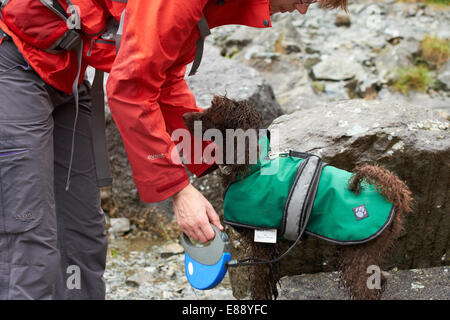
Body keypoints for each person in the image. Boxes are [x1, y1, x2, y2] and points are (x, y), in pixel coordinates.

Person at [0, 0, 346, 300]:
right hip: (14, 65)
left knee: (82, 235)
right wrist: (178, 191)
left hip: (68, 80)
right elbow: (130, 88)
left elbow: (164, 84)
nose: (302, 9)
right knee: (29, 233)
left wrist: (220, 163)